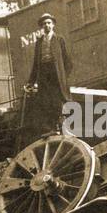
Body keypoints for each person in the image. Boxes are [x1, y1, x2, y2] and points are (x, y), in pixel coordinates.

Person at [21, 12, 72, 142]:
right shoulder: (39, 42)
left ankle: (59, 126)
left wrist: (63, 76)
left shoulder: (59, 39)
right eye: (44, 24)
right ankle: (50, 129)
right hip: (44, 73)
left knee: (56, 100)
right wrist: (31, 81)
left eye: (49, 23)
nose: (46, 25)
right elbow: (35, 63)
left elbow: (67, 61)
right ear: (41, 27)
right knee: (45, 101)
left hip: (56, 73)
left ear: (53, 25)